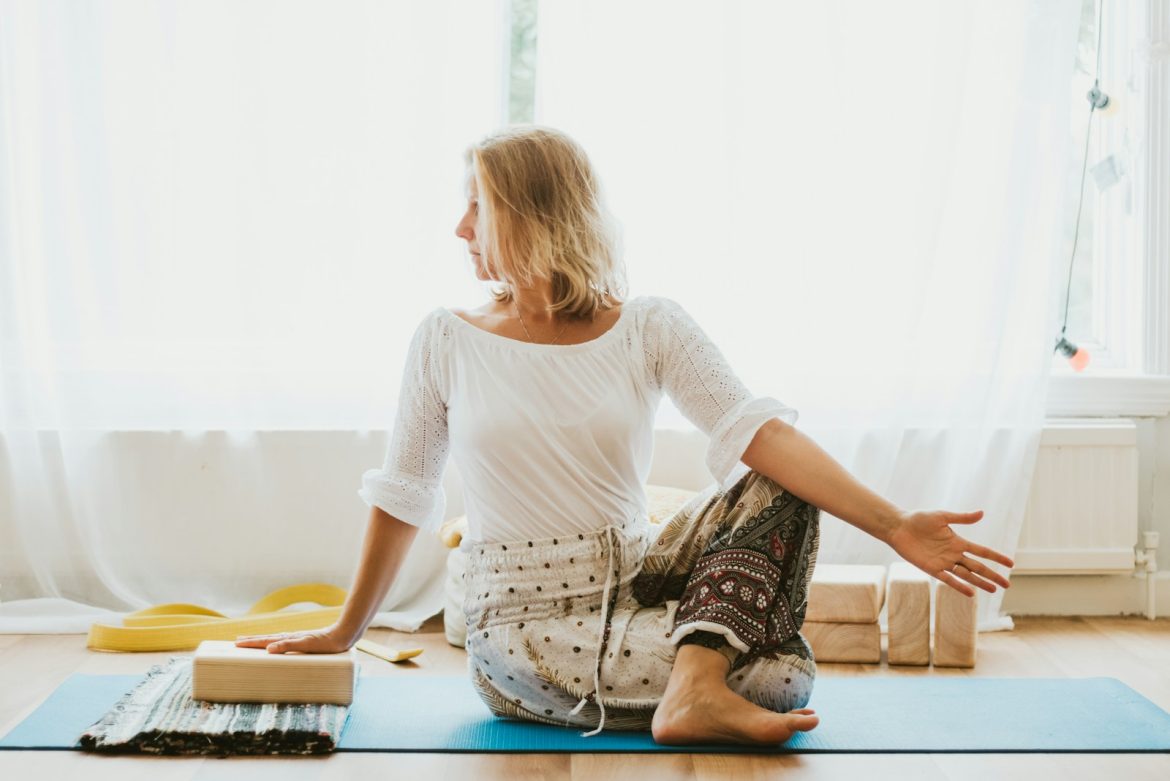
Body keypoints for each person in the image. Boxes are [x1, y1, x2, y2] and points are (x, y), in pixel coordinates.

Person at [236, 125, 1014, 746]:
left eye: (478, 205)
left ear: (533, 212)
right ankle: (698, 684)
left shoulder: (648, 325)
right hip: (523, 624)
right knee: (779, 677)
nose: (460, 227)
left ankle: (695, 684)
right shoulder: (446, 339)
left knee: (780, 492)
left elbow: (761, 434)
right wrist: (346, 629)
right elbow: (406, 489)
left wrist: (896, 525)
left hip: (641, 574)